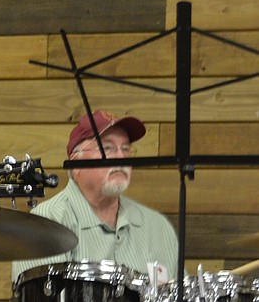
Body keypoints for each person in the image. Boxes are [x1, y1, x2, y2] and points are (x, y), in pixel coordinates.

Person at [11, 109, 178, 284]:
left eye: (126, 149)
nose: (121, 157)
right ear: (76, 162)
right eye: (108, 148)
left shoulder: (159, 228)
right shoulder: (44, 224)